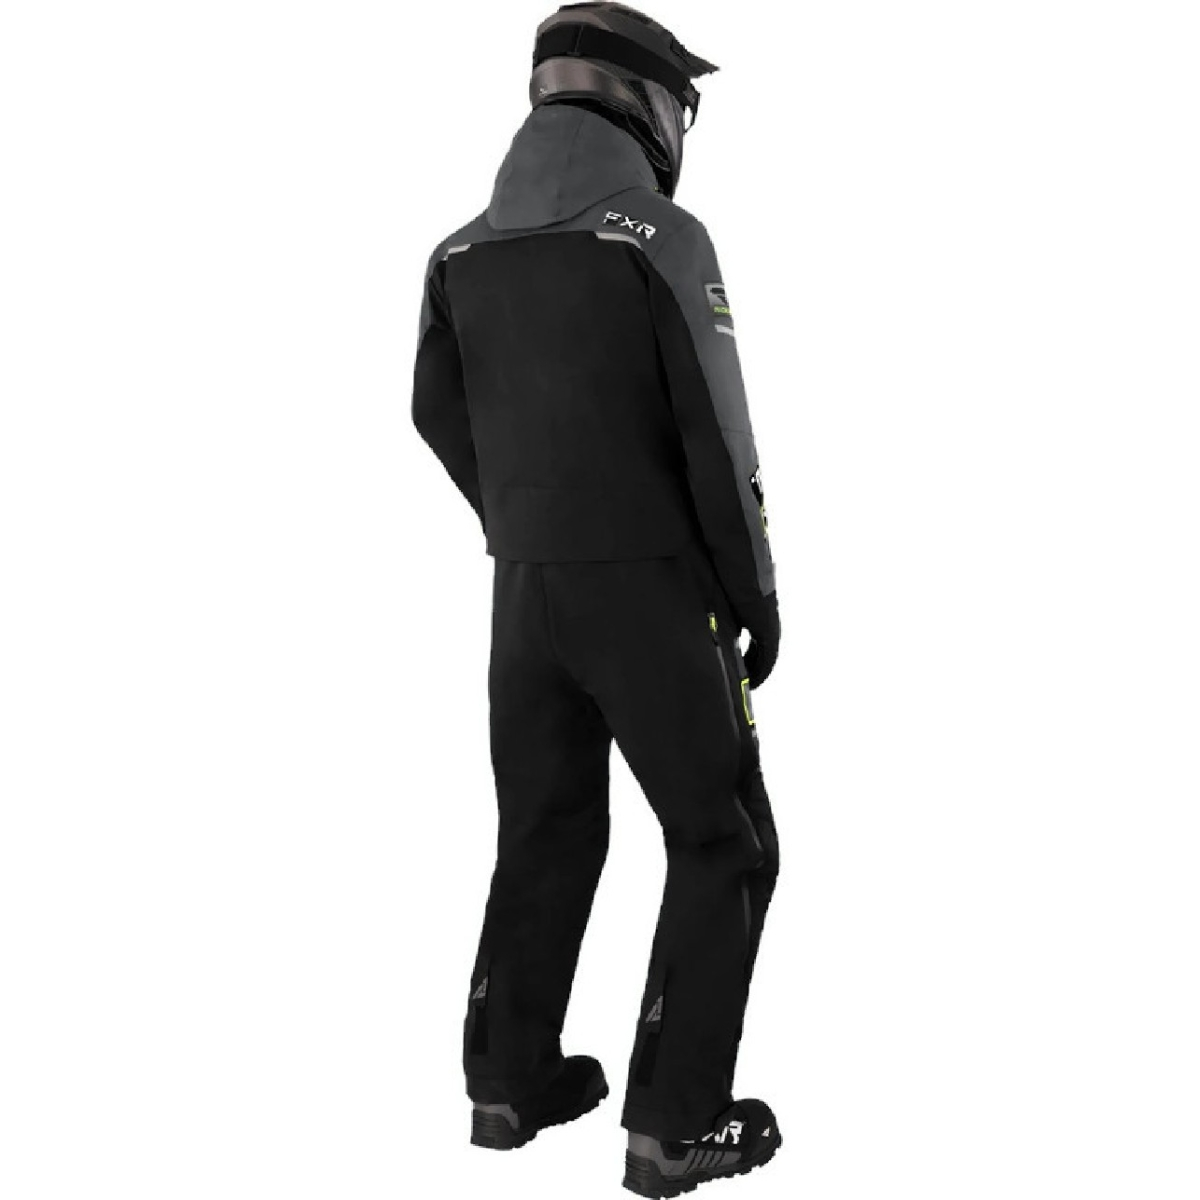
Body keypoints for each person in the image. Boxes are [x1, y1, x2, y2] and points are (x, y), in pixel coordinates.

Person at [412, 5, 782, 1194]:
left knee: (546, 829)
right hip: (653, 593)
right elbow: (718, 441)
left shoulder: (460, 251)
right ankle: (676, 1126)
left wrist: (528, 521)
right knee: (724, 841)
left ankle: (507, 1084)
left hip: (523, 594)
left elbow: (433, 410)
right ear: (645, 102)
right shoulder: (660, 237)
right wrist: (757, 597)